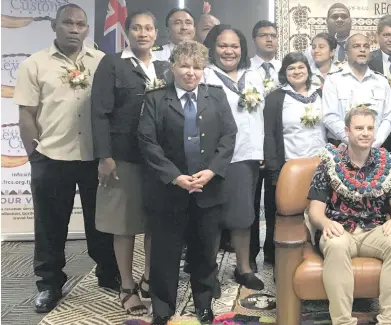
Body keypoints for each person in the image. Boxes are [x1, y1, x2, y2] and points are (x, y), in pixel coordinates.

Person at [14, 3, 119, 313]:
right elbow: (27, 115)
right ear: (54, 26)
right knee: (50, 225)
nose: (74, 29)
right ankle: (49, 284)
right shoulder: (34, 64)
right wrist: (34, 155)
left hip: (93, 158)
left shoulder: (102, 62)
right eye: (68, 23)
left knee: (100, 222)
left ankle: (108, 274)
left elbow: (111, 111)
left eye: (80, 24)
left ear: (87, 29)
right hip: (51, 157)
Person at [138, 40, 237, 325]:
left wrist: (212, 171)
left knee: (205, 252)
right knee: (165, 254)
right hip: (169, 191)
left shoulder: (216, 97)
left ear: (204, 69)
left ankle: (203, 305)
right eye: (184, 66)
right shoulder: (156, 99)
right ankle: (162, 308)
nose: (190, 72)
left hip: (208, 188)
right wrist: (175, 177)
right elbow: (147, 143)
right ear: (173, 67)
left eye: (197, 67)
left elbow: (229, 136)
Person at [90, 9, 170, 315]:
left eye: (148, 28)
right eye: (136, 28)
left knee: (154, 223)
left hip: (158, 160)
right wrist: (105, 156)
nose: (143, 33)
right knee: (124, 226)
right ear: (126, 32)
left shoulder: (164, 66)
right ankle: (126, 284)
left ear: (156, 33)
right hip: (123, 157)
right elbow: (99, 113)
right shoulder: (112, 64)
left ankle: (149, 278)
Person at [307, 107, 391, 325]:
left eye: (370, 128)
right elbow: (314, 210)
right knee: (335, 245)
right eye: (359, 128)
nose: (365, 133)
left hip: (375, 230)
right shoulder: (329, 163)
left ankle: (390, 321)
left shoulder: (387, 164)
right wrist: (325, 222)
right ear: (347, 131)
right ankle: (343, 322)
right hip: (340, 229)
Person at [202, 24, 265, 290]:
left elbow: (260, 115)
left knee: (242, 215)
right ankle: (207, 273)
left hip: (246, 156)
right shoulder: (205, 75)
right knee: (212, 218)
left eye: (234, 46)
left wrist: (261, 150)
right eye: (223, 45)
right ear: (213, 47)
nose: (229, 51)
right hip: (214, 159)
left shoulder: (254, 76)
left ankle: (244, 268)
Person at [264, 52, 326, 185]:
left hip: (322, 164)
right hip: (291, 166)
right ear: (284, 73)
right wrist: (274, 172)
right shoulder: (274, 99)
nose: (297, 71)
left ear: (308, 70)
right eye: (291, 68)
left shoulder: (322, 94)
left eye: (301, 67)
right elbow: (269, 136)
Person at [249, 19, 282, 271]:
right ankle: (249, 254)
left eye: (272, 35)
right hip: (249, 145)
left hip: (276, 147)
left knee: (274, 201)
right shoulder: (246, 70)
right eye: (263, 35)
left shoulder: (286, 70)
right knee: (249, 203)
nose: (269, 39)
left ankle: (272, 250)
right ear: (254, 40)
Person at [322, 34, 391, 148]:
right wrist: (352, 140)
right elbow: (329, 116)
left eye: (366, 46)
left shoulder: (382, 81)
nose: (362, 49)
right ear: (346, 53)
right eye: (356, 46)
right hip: (342, 147)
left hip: (375, 147)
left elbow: (388, 118)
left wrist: (375, 143)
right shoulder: (333, 80)